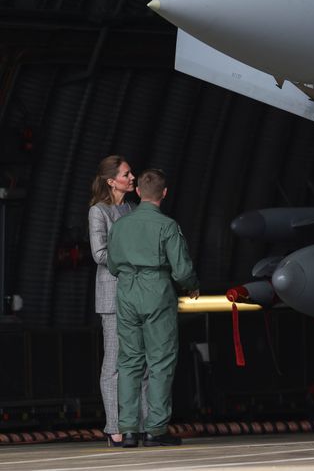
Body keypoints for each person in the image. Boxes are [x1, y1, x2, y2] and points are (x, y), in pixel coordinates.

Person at [107, 168, 199, 447]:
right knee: (160, 361)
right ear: (165, 193)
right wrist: (192, 285)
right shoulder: (167, 226)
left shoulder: (120, 226)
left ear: (138, 192)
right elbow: (181, 270)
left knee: (129, 361)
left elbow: (112, 265)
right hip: (156, 291)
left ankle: (129, 430)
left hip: (126, 292)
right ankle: (156, 430)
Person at [87, 155, 136, 447]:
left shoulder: (132, 209)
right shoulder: (99, 211)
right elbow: (99, 254)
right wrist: (133, 261)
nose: (132, 177)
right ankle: (114, 426)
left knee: (138, 361)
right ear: (111, 181)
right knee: (114, 363)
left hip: (135, 295)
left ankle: (139, 424)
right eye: (127, 174)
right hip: (112, 295)